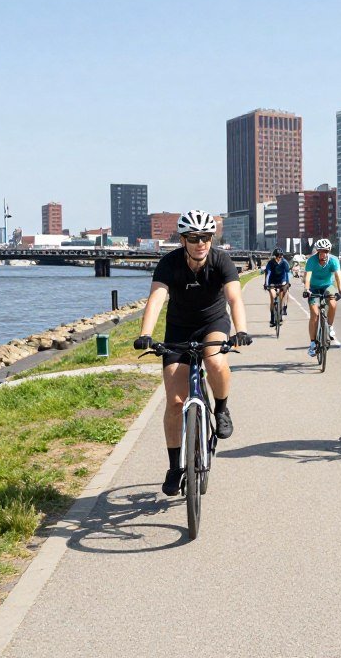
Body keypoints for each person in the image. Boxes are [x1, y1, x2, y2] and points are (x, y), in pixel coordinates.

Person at [133, 210, 252, 496]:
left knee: (214, 360)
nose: (201, 243)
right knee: (175, 402)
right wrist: (145, 335)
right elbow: (157, 297)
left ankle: (221, 410)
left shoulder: (221, 261)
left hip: (213, 322)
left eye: (207, 237)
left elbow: (234, 297)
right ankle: (175, 467)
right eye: (195, 238)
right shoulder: (169, 263)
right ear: (183, 239)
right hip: (178, 329)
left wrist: (241, 330)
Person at [302, 238, 341, 356]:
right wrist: (306, 290)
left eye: (326, 251)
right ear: (317, 251)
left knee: (332, 303)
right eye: (321, 251)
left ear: (329, 251)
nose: (323, 254)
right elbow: (307, 278)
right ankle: (312, 344)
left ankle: (330, 327)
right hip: (313, 288)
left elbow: (338, 277)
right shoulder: (311, 260)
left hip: (328, 286)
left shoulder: (333, 260)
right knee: (315, 315)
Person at [263, 247, 290, 325]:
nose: (280, 258)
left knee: (281, 299)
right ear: (275, 256)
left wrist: (287, 282)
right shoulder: (271, 263)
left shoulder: (284, 262)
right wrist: (266, 284)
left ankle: (280, 315)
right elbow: (268, 274)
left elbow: (287, 273)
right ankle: (272, 318)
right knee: (273, 297)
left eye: (281, 256)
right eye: (278, 256)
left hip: (282, 281)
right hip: (272, 282)